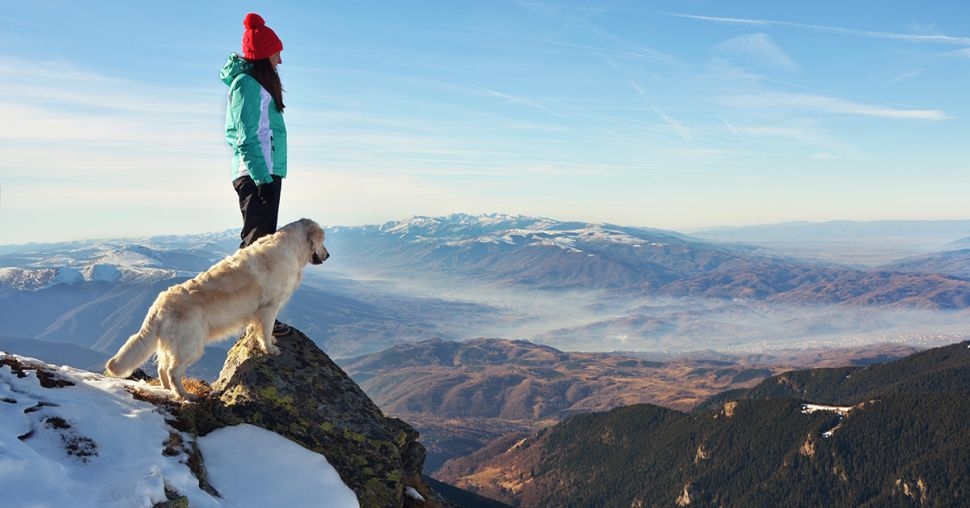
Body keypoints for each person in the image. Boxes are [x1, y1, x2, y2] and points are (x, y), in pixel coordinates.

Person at [220, 12, 291, 336]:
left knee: (260, 249)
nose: (280, 57)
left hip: (263, 172)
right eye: (276, 51)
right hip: (256, 174)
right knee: (256, 250)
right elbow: (247, 136)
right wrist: (262, 179)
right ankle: (254, 319)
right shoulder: (247, 86)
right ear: (264, 55)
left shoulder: (257, 84)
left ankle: (257, 317)